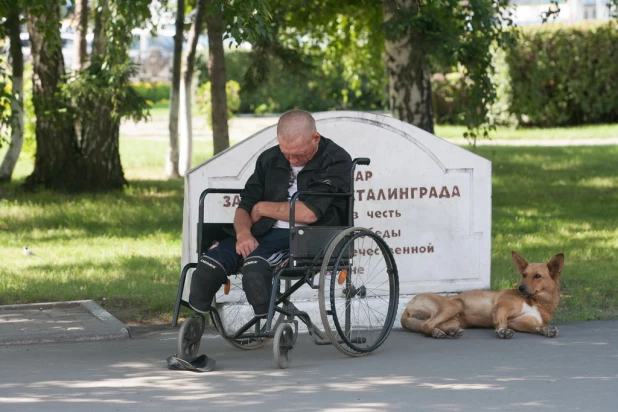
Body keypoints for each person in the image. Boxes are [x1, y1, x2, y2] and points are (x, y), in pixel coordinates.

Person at [189, 109, 353, 317]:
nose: (291, 160)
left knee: (255, 269)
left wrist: (262, 208)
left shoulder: (336, 159)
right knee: (208, 265)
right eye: (286, 153)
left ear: (315, 138)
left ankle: (266, 321)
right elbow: (245, 207)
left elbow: (309, 213)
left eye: (298, 154)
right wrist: (243, 235)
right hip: (261, 232)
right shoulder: (269, 158)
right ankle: (196, 320)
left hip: (304, 238)